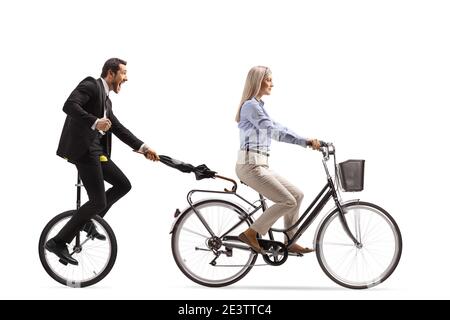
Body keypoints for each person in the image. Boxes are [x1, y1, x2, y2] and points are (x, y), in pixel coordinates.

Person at [45, 58, 159, 265]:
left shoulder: (107, 101)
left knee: (123, 185)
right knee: (98, 201)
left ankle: (89, 221)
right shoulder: (91, 84)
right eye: (123, 73)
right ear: (110, 73)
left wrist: (143, 148)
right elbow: (69, 105)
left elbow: (118, 128)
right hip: (83, 151)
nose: (126, 78)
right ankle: (58, 241)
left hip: (96, 152)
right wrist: (95, 122)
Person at [235, 66, 321, 254]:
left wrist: (306, 140)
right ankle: (251, 233)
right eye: (269, 80)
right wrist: (304, 141)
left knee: (296, 195)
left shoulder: (258, 107)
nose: (272, 84)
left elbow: (277, 126)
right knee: (287, 201)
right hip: (250, 165)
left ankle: (290, 242)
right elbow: (273, 132)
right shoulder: (250, 106)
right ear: (258, 81)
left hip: (260, 164)